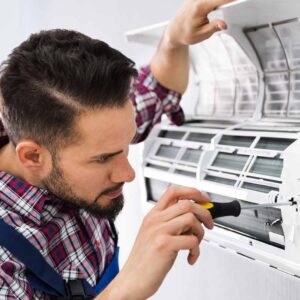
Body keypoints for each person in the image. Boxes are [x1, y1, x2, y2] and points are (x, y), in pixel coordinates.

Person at [0, 0, 231, 299]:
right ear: (32, 156)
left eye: (125, 145)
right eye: (104, 158)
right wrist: (128, 286)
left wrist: (174, 39)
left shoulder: (87, 125)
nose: (128, 173)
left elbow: (159, 87)